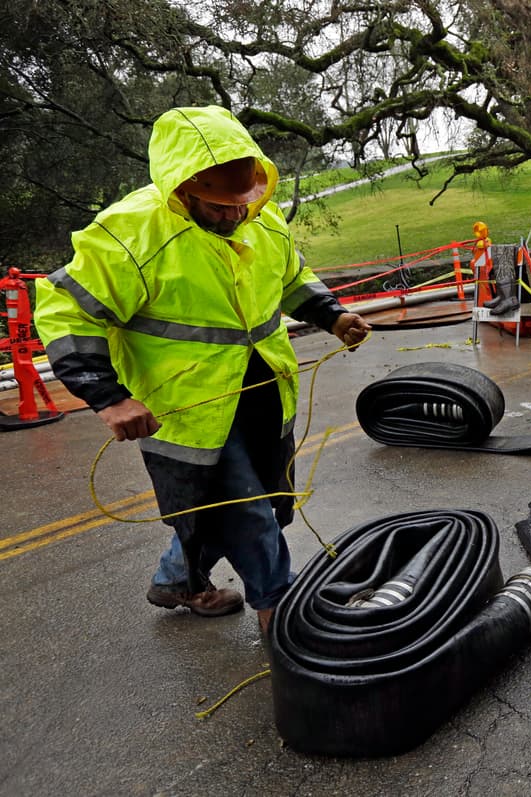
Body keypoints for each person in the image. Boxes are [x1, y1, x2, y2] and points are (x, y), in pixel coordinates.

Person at [34, 105, 372, 634]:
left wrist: (332, 316)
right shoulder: (129, 234)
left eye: (241, 203)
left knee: (237, 500)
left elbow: (289, 277)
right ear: (180, 189)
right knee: (248, 508)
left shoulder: (261, 216)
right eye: (216, 206)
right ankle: (278, 610)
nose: (233, 216)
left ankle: (177, 580)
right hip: (186, 408)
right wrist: (108, 396)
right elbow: (66, 308)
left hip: (262, 390)